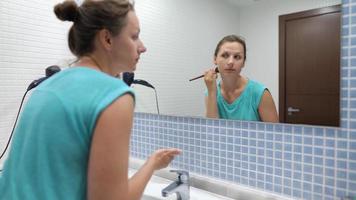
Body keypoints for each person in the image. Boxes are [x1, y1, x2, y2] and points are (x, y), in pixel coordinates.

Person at [0, 1, 180, 200]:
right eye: (134, 36)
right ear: (107, 39)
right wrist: (151, 165)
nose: (143, 47)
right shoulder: (114, 96)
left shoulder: (45, 87)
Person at [204, 35, 279, 122]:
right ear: (215, 59)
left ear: (243, 62)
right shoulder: (210, 91)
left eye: (237, 57)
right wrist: (212, 92)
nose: (230, 62)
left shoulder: (260, 94)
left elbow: (275, 134)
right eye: (225, 55)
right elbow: (211, 131)